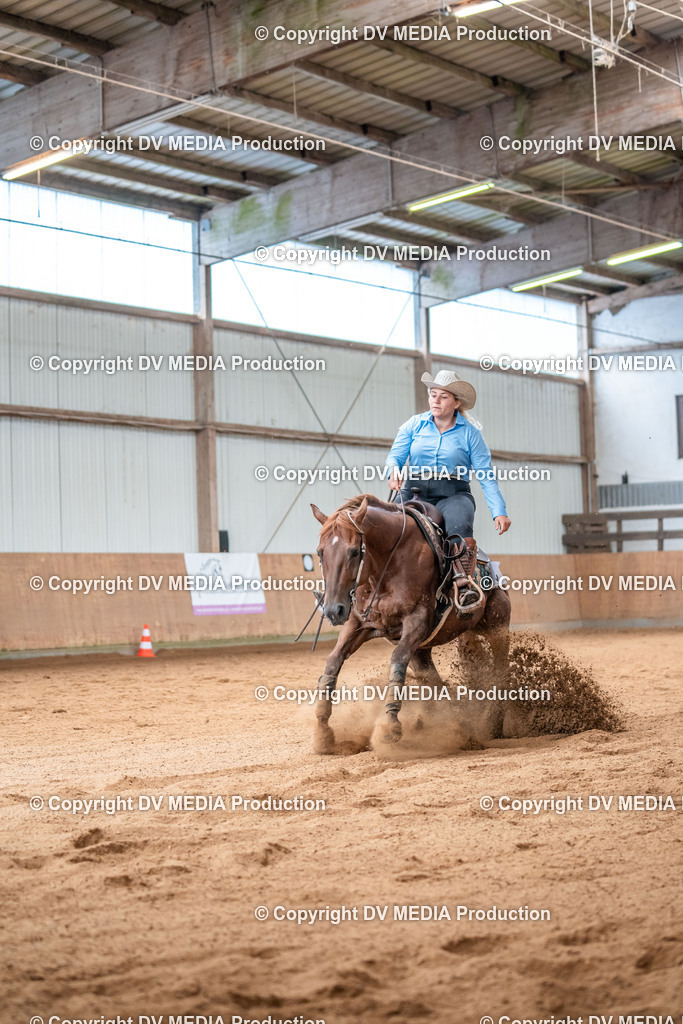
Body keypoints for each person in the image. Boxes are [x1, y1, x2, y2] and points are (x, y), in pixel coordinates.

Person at [385, 369, 511, 547]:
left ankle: (460, 573)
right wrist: (393, 471)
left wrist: (499, 511)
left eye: (443, 397)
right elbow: (395, 457)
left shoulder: (471, 434)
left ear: (457, 402)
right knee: (388, 527)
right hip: (413, 492)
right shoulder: (413, 425)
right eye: (433, 395)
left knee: (459, 531)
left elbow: (486, 475)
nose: (435, 401)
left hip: (454, 495)